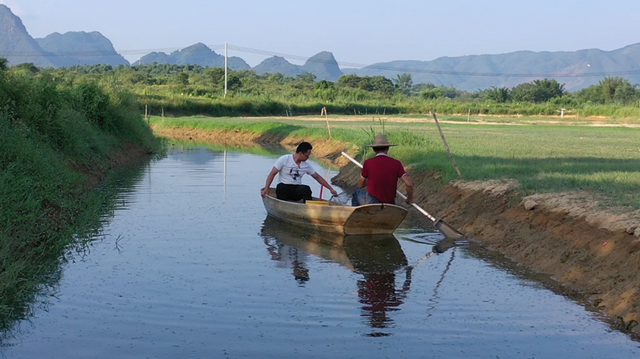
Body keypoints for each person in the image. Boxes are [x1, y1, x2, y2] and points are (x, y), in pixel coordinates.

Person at [261, 142, 338, 201]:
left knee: (306, 189)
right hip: (284, 188)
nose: (308, 158)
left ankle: (307, 209)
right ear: (301, 153)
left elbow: (317, 177)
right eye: (307, 155)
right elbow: (272, 174)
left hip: (296, 189)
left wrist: (331, 189)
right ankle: (283, 205)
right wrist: (266, 189)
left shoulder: (306, 165)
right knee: (280, 187)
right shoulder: (284, 159)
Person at [352, 134, 414, 206]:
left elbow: (360, 185)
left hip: (372, 201)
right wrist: (410, 198)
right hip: (389, 202)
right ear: (387, 148)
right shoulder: (396, 163)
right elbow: (409, 184)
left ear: (374, 149)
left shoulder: (368, 163)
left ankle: (357, 216)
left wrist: (371, 180)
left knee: (356, 193)